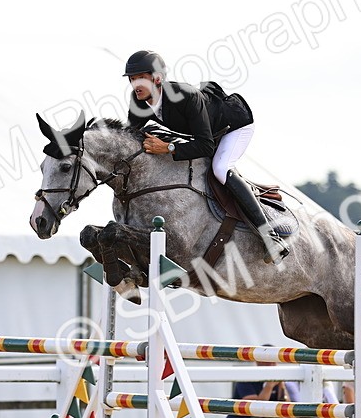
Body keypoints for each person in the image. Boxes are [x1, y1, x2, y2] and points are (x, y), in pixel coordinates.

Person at [121, 49, 289, 263]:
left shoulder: (185, 96)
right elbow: (130, 136)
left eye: (140, 78)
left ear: (157, 78)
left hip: (234, 126)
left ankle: (271, 237)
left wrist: (169, 148)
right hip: (206, 132)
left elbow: (206, 146)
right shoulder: (139, 101)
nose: (135, 85)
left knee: (220, 169)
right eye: (132, 79)